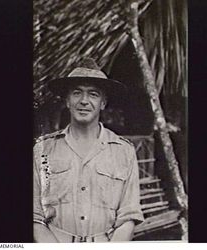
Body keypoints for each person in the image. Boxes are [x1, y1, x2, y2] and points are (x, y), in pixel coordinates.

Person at [33, 59, 144, 242]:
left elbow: (128, 216)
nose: (84, 101)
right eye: (77, 93)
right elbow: (35, 217)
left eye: (93, 94)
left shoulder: (123, 151)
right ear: (67, 101)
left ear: (103, 103)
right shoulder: (43, 149)